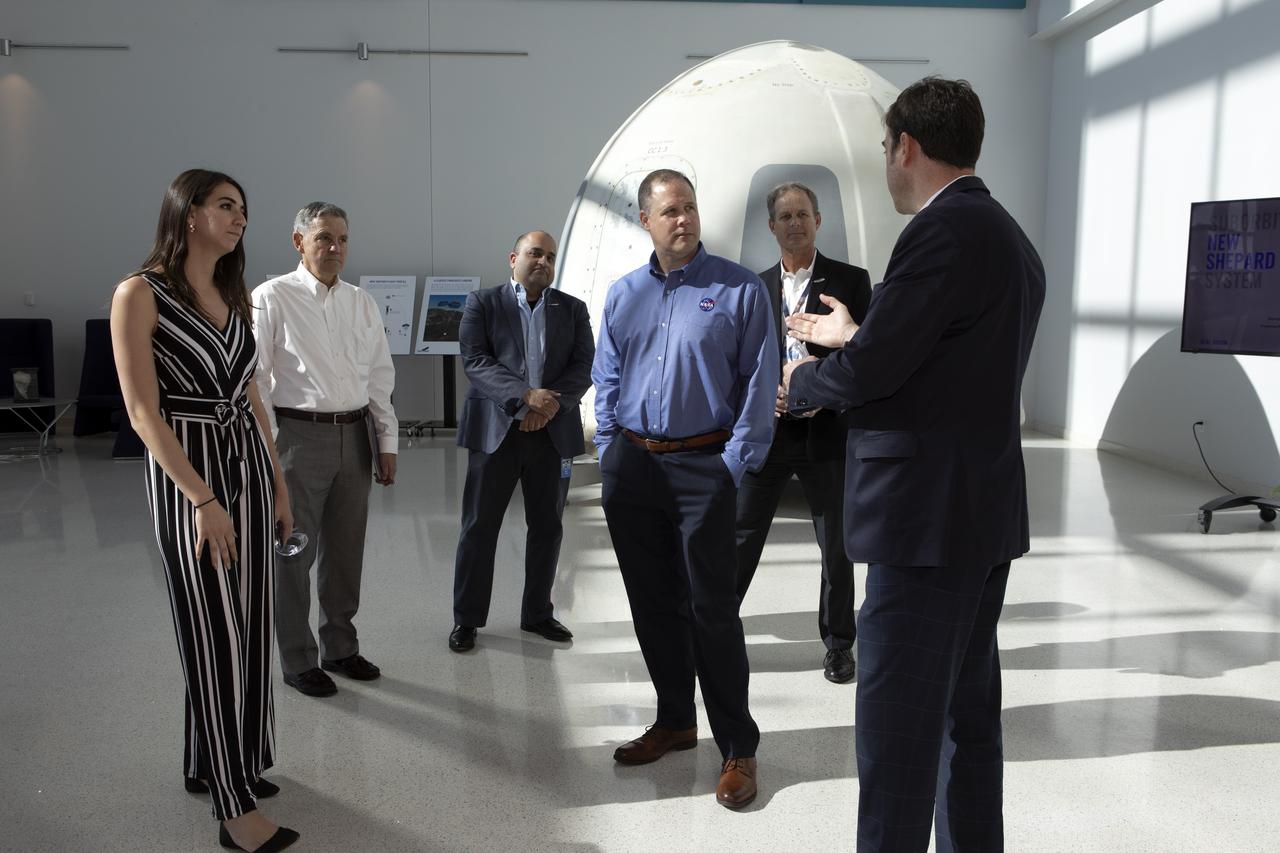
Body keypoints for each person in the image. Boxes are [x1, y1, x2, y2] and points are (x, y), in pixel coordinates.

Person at [783, 78, 1045, 852]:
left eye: (886, 151)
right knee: (967, 727)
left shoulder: (940, 233)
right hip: (978, 517)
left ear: (907, 146)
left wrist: (806, 382)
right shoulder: (1005, 234)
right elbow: (940, 359)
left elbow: (876, 373)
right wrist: (855, 335)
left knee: (897, 739)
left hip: (923, 528)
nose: (888, 169)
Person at [112, 169, 299, 852]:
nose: (239, 217)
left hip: (247, 466)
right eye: (225, 205)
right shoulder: (140, 293)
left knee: (247, 624)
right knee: (212, 629)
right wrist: (203, 498)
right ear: (187, 214)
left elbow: (250, 395)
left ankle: (223, 761)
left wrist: (276, 485)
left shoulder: (231, 293)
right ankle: (234, 808)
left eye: (243, 208)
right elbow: (141, 412)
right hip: (191, 475)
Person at [593, 169, 778, 809]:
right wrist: (608, 449)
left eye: (691, 208)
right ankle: (674, 720)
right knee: (652, 603)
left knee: (712, 609)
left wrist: (733, 463)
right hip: (635, 468)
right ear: (646, 219)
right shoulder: (623, 295)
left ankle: (738, 746)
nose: (685, 220)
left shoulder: (740, 288)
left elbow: (759, 381)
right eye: (671, 210)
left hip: (705, 467)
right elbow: (608, 373)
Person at [252, 202, 398, 698]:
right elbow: (257, 379)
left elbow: (380, 376)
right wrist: (273, 447)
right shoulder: (272, 297)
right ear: (299, 243)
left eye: (342, 239)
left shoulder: (361, 302)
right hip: (298, 436)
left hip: (355, 434)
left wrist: (387, 440)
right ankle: (297, 658)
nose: (335, 248)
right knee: (293, 550)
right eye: (323, 239)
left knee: (345, 550)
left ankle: (340, 647)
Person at [733, 182, 871, 684]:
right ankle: (713, 630)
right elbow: (740, 361)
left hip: (827, 434)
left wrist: (821, 392)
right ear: (771, 227)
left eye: (803, 214)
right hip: (767, 435)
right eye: (785, 216)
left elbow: (864, 359)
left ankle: (838, 645)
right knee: (740, 535)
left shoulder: (852, 282)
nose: (795, 223)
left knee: (836, 545)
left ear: (818, 221)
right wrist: (763, 393)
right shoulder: (751, 287)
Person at [449, 230, 595, 652]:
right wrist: (523, 399)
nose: (543, 261)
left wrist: (547, 406)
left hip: (551, 434)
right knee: (479, 528)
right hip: (496, 433)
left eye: (550, 256)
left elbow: (584, 365)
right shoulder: (483, 303)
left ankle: (537, 614)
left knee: (547, 527)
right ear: (514, 257)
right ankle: (467, 620)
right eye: (535, 253)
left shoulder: (572, 309)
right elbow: (475, 360)